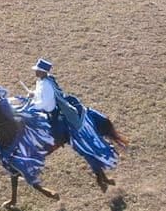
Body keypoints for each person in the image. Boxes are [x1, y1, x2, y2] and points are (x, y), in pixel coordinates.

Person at [25, 58, 121, 188]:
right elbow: (40, 95)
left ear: (42, 72)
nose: (35, 72)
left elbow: (47, 103)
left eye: (37, 70)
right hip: (47, 107)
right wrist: (33, 94)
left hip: (50, 112)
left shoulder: (46, 84)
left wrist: (33, 105)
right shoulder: (42, 81)